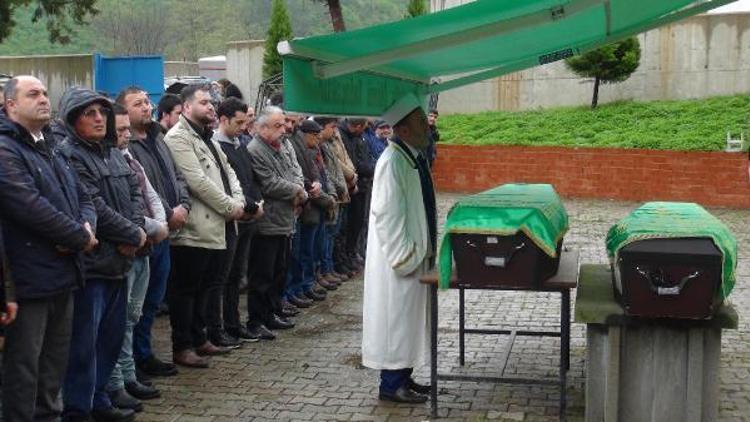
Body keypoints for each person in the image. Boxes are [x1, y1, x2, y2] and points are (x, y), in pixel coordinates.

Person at [0, 76, 98, 422]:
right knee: (24, 372)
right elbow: (29, 206)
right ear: (10, 104)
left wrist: (87, 227)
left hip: (63, 274)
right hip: (29, 282)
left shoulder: (50, 144)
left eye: (44, 92)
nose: (44, 98)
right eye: (33, 94)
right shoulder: (6, 148)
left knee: (53, 369)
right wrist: (78, 235)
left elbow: (82, 196)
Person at [58, 86, 147, 421]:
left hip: (120, 262)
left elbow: (135, 193)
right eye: (88, 113)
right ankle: (78, 409)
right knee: (84, 346)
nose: (98, 119)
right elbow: (92, 206)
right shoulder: (69, 155)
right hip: (93, 267)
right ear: (71, 119)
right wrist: (130, 233)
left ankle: (99, 400)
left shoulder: (111, 152)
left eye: (102, 113)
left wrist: (136, 232)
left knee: (109, 340)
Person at [361, 94, 437, 404]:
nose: (427, 128)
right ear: (403, 129)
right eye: (420, 123)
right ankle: (391, 385)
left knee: (409, 321)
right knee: (396, 320)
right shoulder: (392, 161)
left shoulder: (411, 156)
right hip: (401, 257)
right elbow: (387, 214)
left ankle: (404, 376)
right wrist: (404, 255)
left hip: (415, 250)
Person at [163, 84, 245, 368]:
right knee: (186, 290)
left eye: (212, 102)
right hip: (196, 227)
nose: (211, 107)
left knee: (206, 287)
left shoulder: (207, 137)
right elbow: (196, 181)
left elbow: (229, 172)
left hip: (219, 224)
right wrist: (230, 206)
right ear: (186, 108)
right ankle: (182, 345)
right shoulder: (178, 138)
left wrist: (239, 200)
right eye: (204, 102)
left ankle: (200, 338)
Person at [117, 86, 190, 381]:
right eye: (138, 103)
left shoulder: (159, 139)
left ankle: (144, 355)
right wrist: (166, 215)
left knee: (152, 300)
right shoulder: (125, 146)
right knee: (135, 304)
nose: (147, 107)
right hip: (147, 234)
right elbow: (142, 193)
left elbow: (177, 175)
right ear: (123, 112)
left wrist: (183, 204)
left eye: (148, 102)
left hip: (166, 232)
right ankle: (132, 361)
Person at [105, 104, 168, 411]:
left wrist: (160, 224)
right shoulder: (105, 161)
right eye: (119, 131)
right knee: (119, 322)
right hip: (126, 248)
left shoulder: (129, 160)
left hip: (144, 245)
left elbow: (148, 195)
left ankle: (129, 376)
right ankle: (116, 382)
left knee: (133, 315)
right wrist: (150, 227)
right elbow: (117, 209)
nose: (125, 135)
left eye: (127, 129)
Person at [246, 106, 304, 339]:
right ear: (261, 128)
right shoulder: (255, 150)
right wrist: (298, 190)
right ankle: (256, 320)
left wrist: (299, 187)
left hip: (287, 218)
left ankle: (272, 312)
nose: (284, 129)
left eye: (284, 124)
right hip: (268, 222)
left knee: (280, 271)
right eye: (278, 125)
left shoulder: (285, 144)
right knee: (262, 274)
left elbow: (296, 170)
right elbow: (269, 183)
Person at [215, 98, 265, 342]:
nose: (244, 127)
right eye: (239, 122)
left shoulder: (239, 144)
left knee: (237, 275)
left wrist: (257, 202)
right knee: (224, 276)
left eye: (246, 122)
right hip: (231, 217)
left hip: (248, 217)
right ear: (223, 120)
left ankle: (234, 323)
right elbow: (225, 185)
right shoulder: (217, 147)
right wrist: (247, 205)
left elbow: (251, 178)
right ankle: (221, 326)